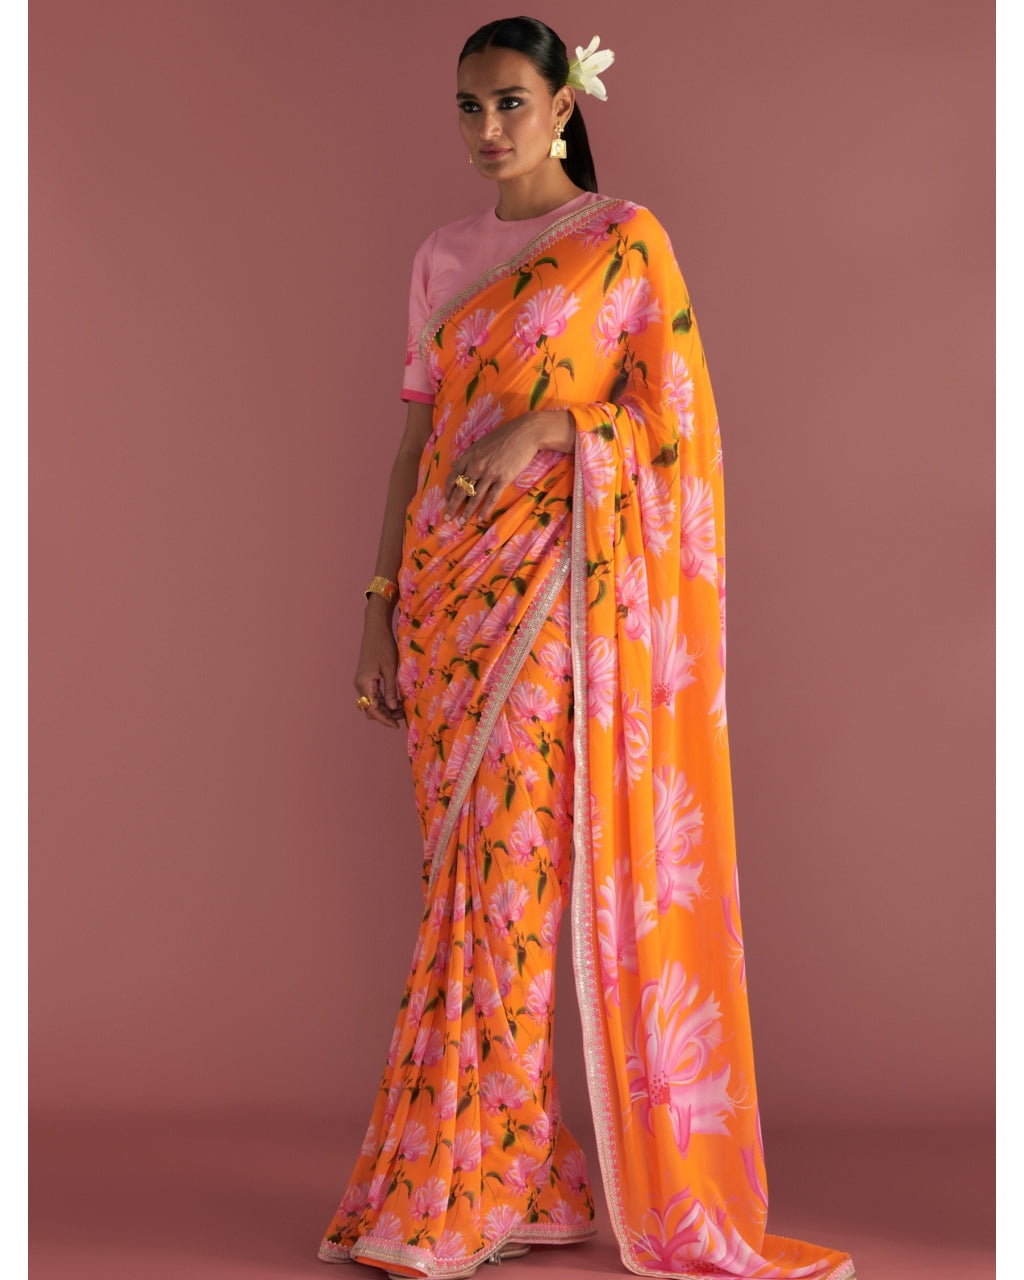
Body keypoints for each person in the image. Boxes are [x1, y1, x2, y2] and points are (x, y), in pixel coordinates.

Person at [318, 17, 855, 1280]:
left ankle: (470, 1186)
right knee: (459, 892)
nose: (487, 127)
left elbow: (676, 432)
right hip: (445, 603)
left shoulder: (624, 241)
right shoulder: (440, 256)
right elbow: (412, 448)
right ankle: (526, 1175)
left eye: (510, 101)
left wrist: (556, 426)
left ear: (565, 105)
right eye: (468, 106)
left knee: (512, 885)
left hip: (553, 601)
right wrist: (377, 603)